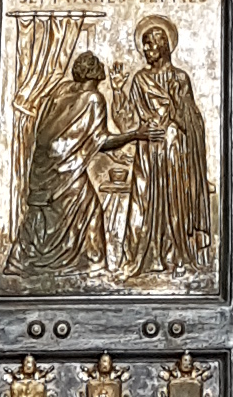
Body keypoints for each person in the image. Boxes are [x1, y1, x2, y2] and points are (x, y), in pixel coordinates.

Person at [15, 48, 135, 282]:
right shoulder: (94, 99)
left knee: (44, 213)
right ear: (96, 73)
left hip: (46, 164)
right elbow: (102, 140)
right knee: (90, 210)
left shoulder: (60, 91)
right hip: (67, 168)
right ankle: (89, 264)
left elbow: (43, 129)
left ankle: (28, 259)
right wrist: (135, 135)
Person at [125, 15, 212, 276]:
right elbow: (128, 119)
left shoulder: (180, 78)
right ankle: (151, 256)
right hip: (149, 151)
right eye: (144, 44)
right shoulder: (140, 80)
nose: (147, 50)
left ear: (166, 45)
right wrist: (118, 91)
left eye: (152, 43)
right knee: (148, 204)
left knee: (176, 204)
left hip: (175, 151)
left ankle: (177, 254)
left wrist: (176, 105)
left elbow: (192, 120)